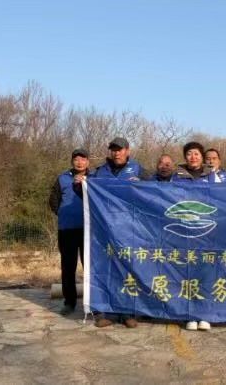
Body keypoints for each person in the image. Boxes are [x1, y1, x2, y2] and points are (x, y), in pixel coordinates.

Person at [94, 137, 151, 329]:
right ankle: (107, 312)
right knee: (108, 269)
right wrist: (79, 185)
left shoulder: (138, 170)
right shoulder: (100, 171)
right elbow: (88, 195)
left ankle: (128, 313)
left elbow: (154, 193)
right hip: (106, 229)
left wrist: (142, 185)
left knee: (129, 269)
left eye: (119, 149)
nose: (116, 153)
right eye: (113, 149)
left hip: (130, 228)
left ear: (127, 151)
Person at [172, 141, 217, 331]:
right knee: (186, 272)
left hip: (207, 231)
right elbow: (169, 199)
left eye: (196, 154)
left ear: (202, 156)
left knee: (206, 272)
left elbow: (222, 199)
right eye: (189, 153)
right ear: (185, 157)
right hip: (184, 231)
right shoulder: (176, 176)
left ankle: (205, 315)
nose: (193, 157)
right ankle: (189, 315)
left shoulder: (212, 175)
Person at [48, 148, 91, 316]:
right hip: (67, 229)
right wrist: (62, 212)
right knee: (68, 267)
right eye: (76, 159)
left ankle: (93, 301)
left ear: (88, 161)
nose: (79, 162)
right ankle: (69, 301)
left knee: (90, 267)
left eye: (83, 159)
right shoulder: (62, 178)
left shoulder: (95, 178)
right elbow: (53, 199)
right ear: (72, 161)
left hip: (89, 230)